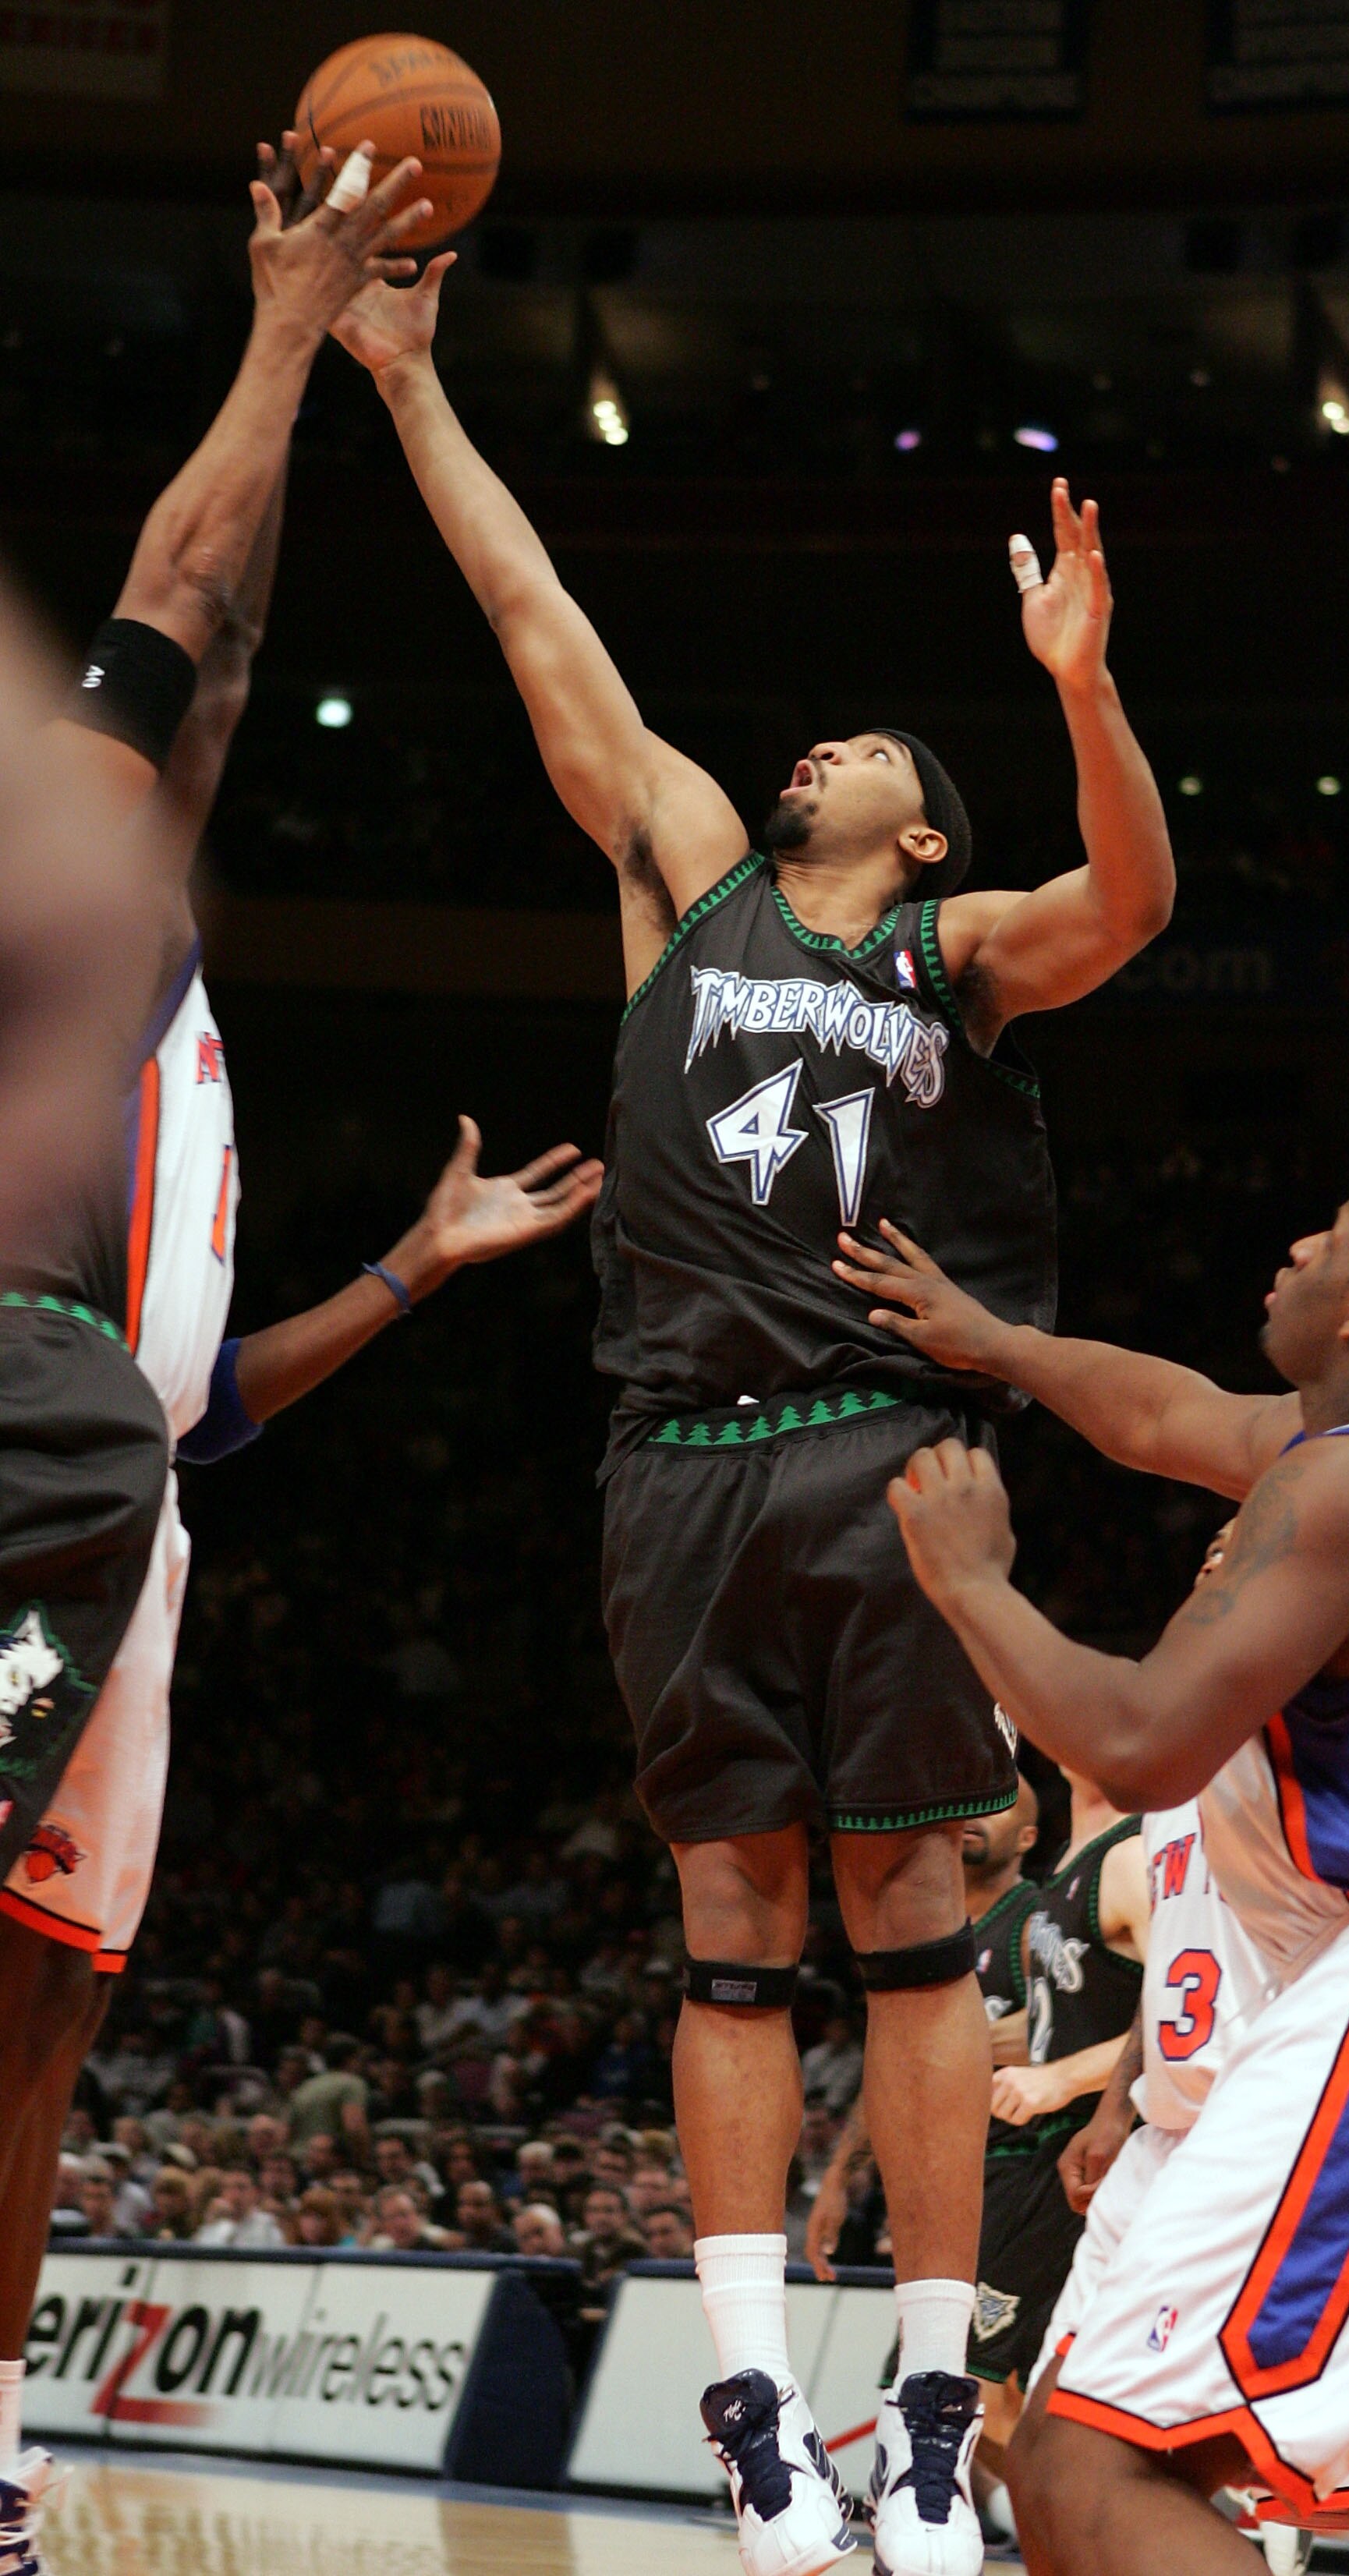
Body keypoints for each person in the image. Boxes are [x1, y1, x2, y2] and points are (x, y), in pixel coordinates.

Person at [332, 244, 1174, 2576]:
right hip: (681, 1451)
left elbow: (1128, 901)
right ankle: (748, 2405)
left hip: (890, 1449)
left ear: (925, 834)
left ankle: (928, 2414)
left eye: (872, 752)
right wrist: (403, 381)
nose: (825, 752)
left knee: (909, 1918)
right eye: (824, 745)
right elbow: (537, 623)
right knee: (727, 1914)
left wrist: (1083, 685)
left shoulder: (952, 949)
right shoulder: (690, 880)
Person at [0, 139, 604, 2571]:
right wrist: (287, 330)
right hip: (25, 1425)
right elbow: (180, 595)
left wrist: (415, 1271)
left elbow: (197, 1408)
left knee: (47, 2009)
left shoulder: (158, 1014)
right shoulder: (61, 906)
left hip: (105, 1480)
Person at [845, 1173, 1349, 2574]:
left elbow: (1139, 1745)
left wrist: (972, 1584)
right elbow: (1160, 1413)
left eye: (1328, 1235)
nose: (1293, 1244)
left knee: (1094, 2468)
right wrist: (995, 1341)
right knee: (1075, 2468)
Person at [1014, 1527, 1349, 2576]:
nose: (1217, 1554)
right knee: (1051, 2460)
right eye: (1213, 1544)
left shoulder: (1337, 1737)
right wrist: (1117, 2107)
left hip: (1288, 2146)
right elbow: (1174, 1963)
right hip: (1166, 2147)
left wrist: (964, 1584)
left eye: (1248, 1542)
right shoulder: (1177, 1760)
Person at [809, 1775, 1147, 2539]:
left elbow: (1114, 2018)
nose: (971, 1818)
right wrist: (843, 2174)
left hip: (1042, 2158)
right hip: (983, 2173)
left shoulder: (1041, 1910)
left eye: (994, 1807)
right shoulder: (968, 1919)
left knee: (966, 2383)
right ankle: (1072, 2524)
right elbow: (921, 2056)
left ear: (1028, 1836)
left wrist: (1059, 2074)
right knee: (974, 2386)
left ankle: (1105, 2523)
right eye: (965, 1803)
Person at [196, 2166, 284, 2250]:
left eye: (241, 2188)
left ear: (255, 2192)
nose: (234, 2194)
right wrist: (210, 2221)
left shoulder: (267, 2225)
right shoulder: (215, 2224)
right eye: (228, 2188)